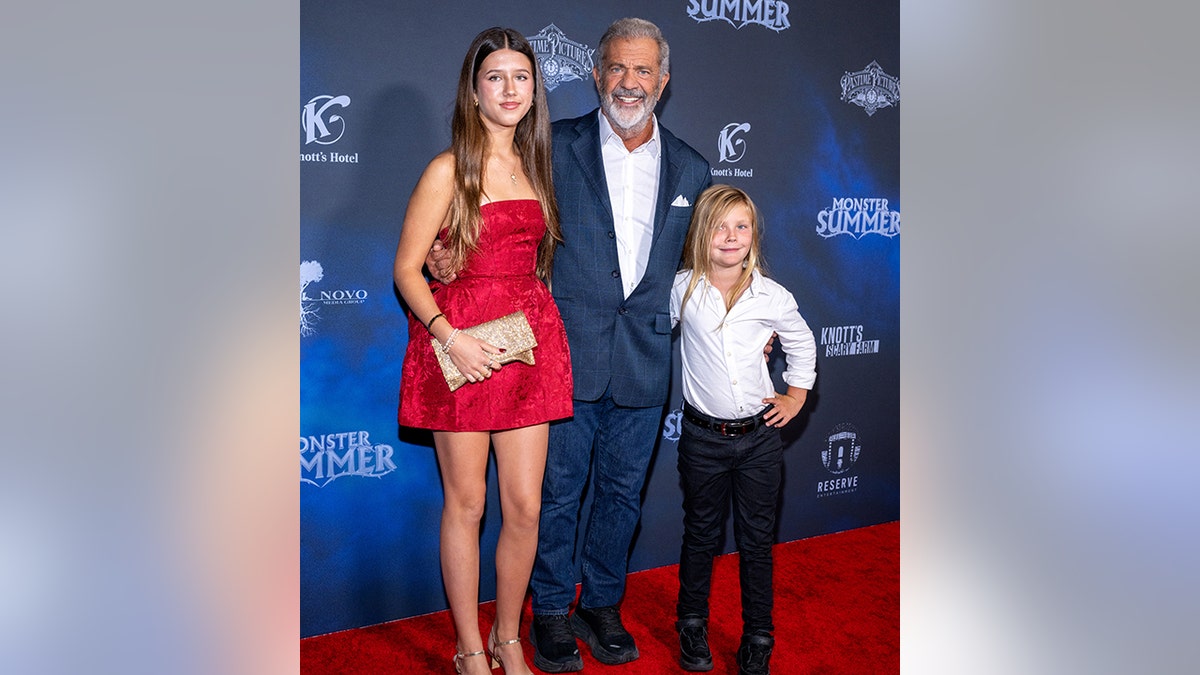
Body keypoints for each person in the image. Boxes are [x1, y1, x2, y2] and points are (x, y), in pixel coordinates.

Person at [393, 27, 573, 675]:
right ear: (473, 92)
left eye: (521, 77)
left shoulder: (537, 165)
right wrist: (452, 337)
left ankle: (507, 636)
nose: (509, 89)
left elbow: (528, 261)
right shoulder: (448, 169)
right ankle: (469, 647)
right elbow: (408, 270)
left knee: (525, 506)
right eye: (495, 77)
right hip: (460, 346)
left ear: (534, 90)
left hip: (529, 348)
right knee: (467, 503)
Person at [669, 185, 816, 675]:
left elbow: (802, 341)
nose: (730, 237)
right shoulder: (682, 288)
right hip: (701, 440)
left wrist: (796, 395)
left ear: (753, 235)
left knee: (756, 540)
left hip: (758, 441)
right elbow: (643, 329)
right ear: (701, 233)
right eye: (719, 226)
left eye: (741, 226)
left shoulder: (771, 296)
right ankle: (690, 623)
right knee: (700, 534)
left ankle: (758, 635)